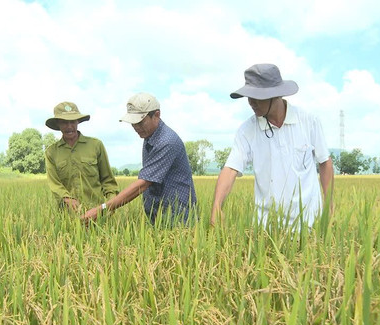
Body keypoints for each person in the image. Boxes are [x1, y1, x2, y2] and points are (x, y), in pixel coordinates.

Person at [211, 64, 334, 228]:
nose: (251, 102)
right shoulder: (247, 130)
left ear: (276, 96)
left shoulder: (308, 121)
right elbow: (231, 169)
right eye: (249, 96)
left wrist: (329, 206)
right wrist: (217, 207)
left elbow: (324, 162)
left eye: (257, 97)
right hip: (268, 227)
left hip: (310, 222)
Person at [82, 92, 197, 226]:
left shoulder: (167, 141)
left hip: (177, 216)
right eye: (133, 123)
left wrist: (103, 208)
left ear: (157, 115)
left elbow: (144, 183)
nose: (136, 127)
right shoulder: (149, 135)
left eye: (140, 122)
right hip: (159, 212)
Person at [45, 101, 119, 212]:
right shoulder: (51, 152)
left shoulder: (95, 145)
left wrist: (111, 204)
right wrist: (67, 198)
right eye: (64, 122)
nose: (69, 126)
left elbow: (108, 180)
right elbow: (54, 183)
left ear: (78, 121)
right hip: (66, 215)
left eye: (72, 122)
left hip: (97, 212)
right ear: (58, 124)